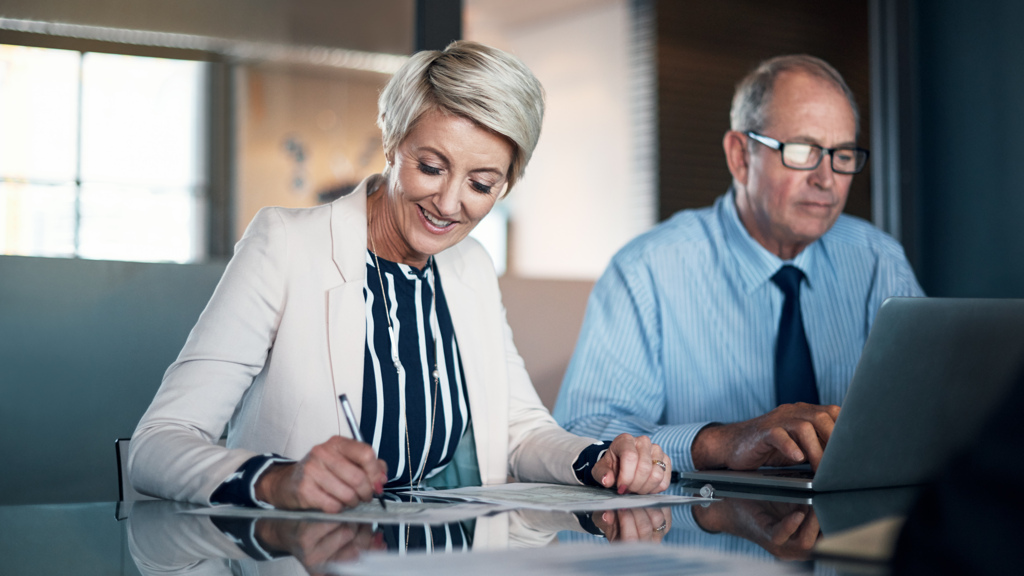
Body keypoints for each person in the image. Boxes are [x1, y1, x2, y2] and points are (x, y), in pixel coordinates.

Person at [128, 40, 671, 512]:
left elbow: (521, 431)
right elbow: (156, 444)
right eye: (431, 167)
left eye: (481, 184)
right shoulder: (286, 244)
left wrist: (599, 460)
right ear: (391, 143)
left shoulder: (471, 266)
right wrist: (276, 479)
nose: (449, 203)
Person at [554, 54, 923, 474]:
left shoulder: (878, 260)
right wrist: (722, 441)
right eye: (802, 151)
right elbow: (582, 435)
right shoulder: (647, 270)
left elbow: (930, 410)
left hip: (851, 527)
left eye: (841, 154)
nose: (826, 179)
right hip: (697, 531)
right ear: (741, 156)